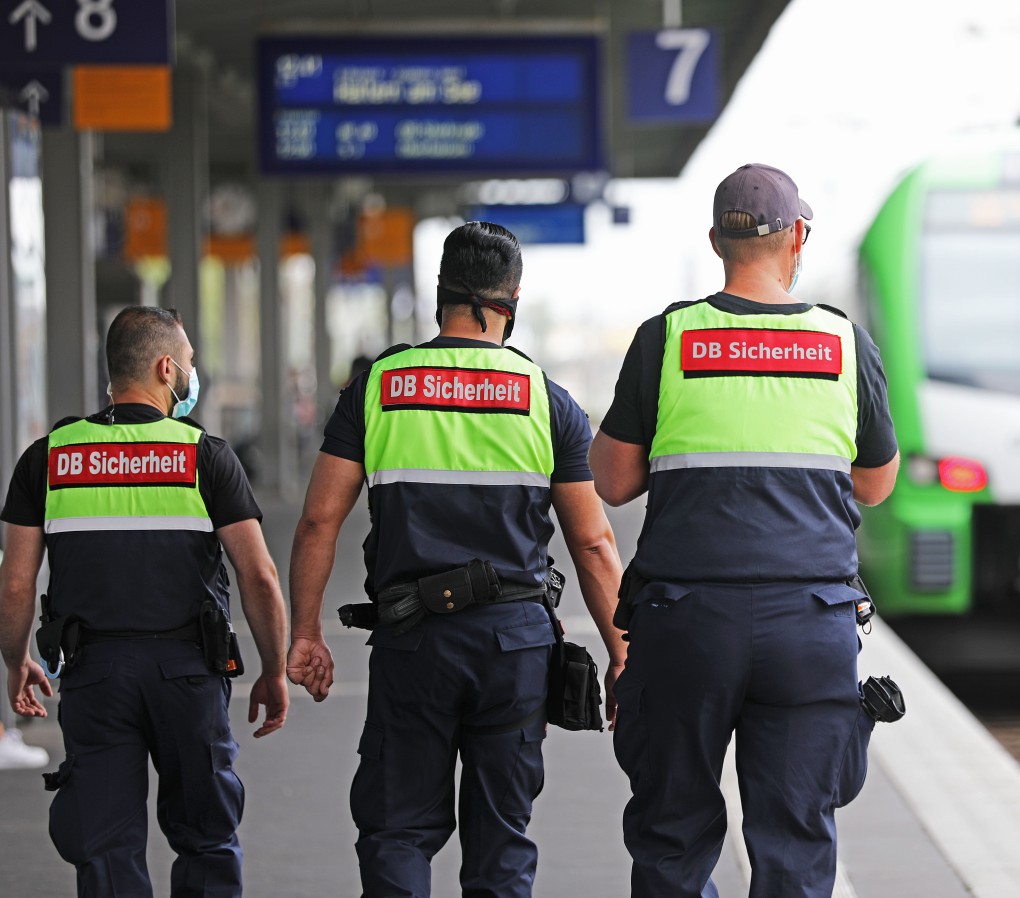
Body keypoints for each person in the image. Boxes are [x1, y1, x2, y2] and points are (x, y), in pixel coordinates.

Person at [287, 221, 627, 898]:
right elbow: (593, 544)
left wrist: (305, 633)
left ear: (440, 293)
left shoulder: (379, 386)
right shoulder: (547, 402)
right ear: (513, 300)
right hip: (513, 648)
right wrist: (622, 653)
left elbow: (320, 519)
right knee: (501, 843)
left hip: (413, 643)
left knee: (397, 831)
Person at [591, 163, 901, 898]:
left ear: (715, 240)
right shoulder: (842, 343)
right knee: (795, 842)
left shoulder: (665, 339)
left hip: (685, 625)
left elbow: (612, 480)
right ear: (796, 238)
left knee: (672, 835)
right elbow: (877, 483)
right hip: (809, 627)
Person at [0, 306, 290, 897]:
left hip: (94, 677)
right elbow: (258, 575)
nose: (191, 374)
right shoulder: (204, 456)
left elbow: (14, 583)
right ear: (166, 367)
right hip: (188, 675)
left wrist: (15, 659)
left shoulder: (49, 457)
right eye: (188, 364)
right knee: (206, 838)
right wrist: (275, 668)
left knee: (105, 848)